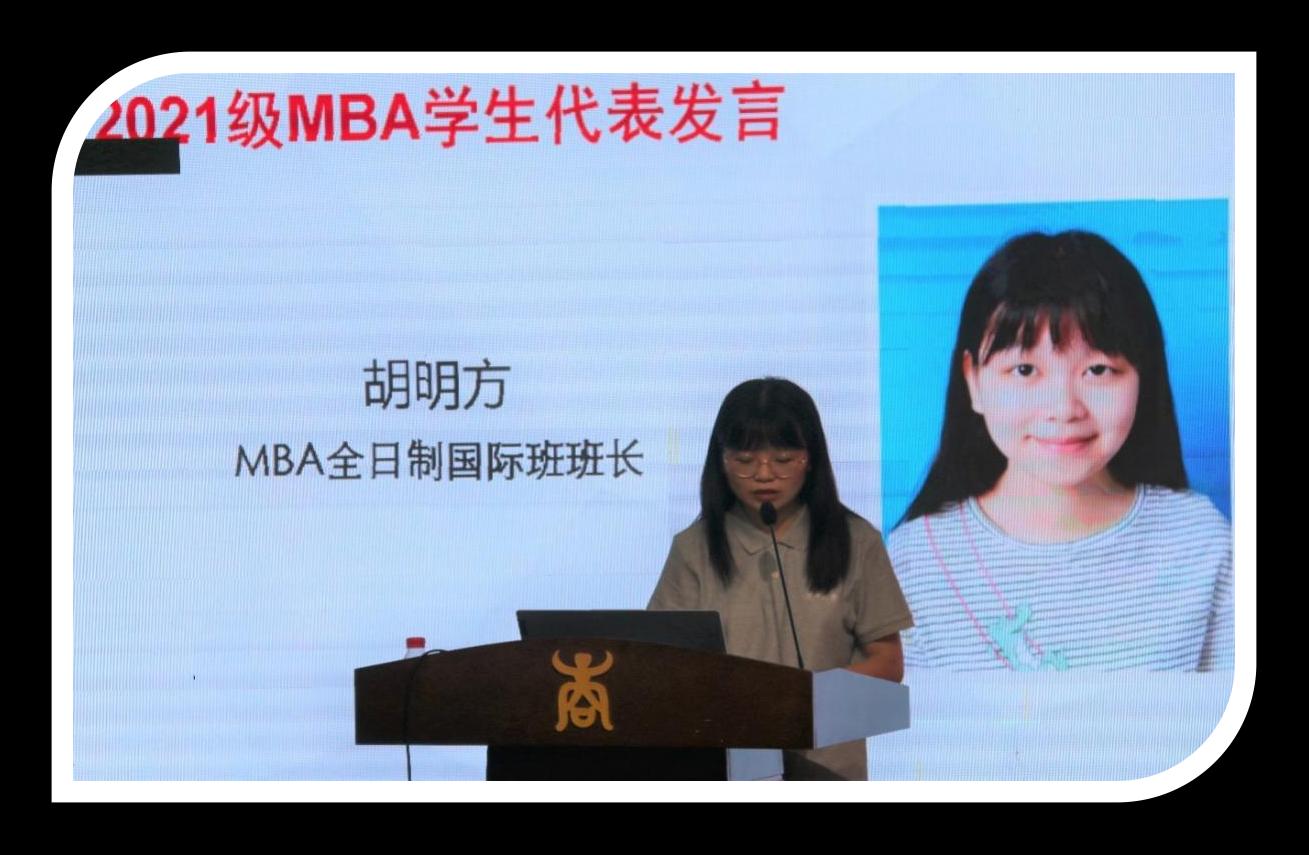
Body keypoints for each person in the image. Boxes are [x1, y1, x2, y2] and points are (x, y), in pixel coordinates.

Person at [888, 230, 1233, 671]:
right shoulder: (915, 561)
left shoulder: (1200, 544)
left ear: (1142, 377)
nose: (1064, 408)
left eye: (1098, 370)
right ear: (973, 379)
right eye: (1024, 369)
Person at [649, 378, 913, 780]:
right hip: (726, 766)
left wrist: (803, 697)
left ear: (811, 458)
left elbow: (888, 663)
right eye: (745, 460)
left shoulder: (857, 541)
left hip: (827, 769)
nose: (764, 474)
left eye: (784, 459)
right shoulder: (693, 548)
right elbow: (661, 663)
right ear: (721, 461)